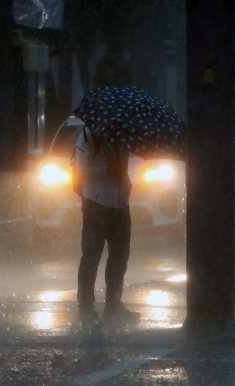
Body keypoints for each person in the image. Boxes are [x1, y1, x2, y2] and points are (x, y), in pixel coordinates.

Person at [74, 125, 140, 321]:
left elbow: (124, 169)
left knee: (120, 255)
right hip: (96, 202)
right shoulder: (87, 136)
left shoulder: (124, 136)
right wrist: (108, 170)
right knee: (92, 255)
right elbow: (81, 170)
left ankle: (114, 303)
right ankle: (85, 305)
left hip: (120, 204)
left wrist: (125, 181)